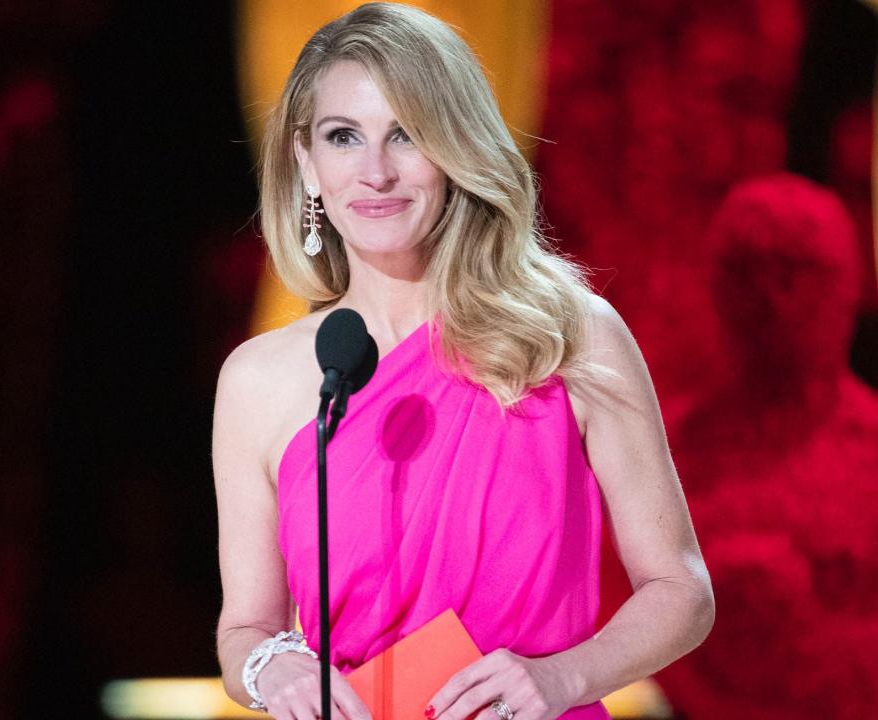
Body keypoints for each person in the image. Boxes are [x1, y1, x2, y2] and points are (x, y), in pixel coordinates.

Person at [212, 3, 715, 719]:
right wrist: (275, 668)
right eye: (344, 137)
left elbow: (682, 589)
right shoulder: (257, 380)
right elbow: (245, 630)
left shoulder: (569, 335)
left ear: (456, 147)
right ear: (307, 163)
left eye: (407, 134)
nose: (376, 171)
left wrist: (562, 679)